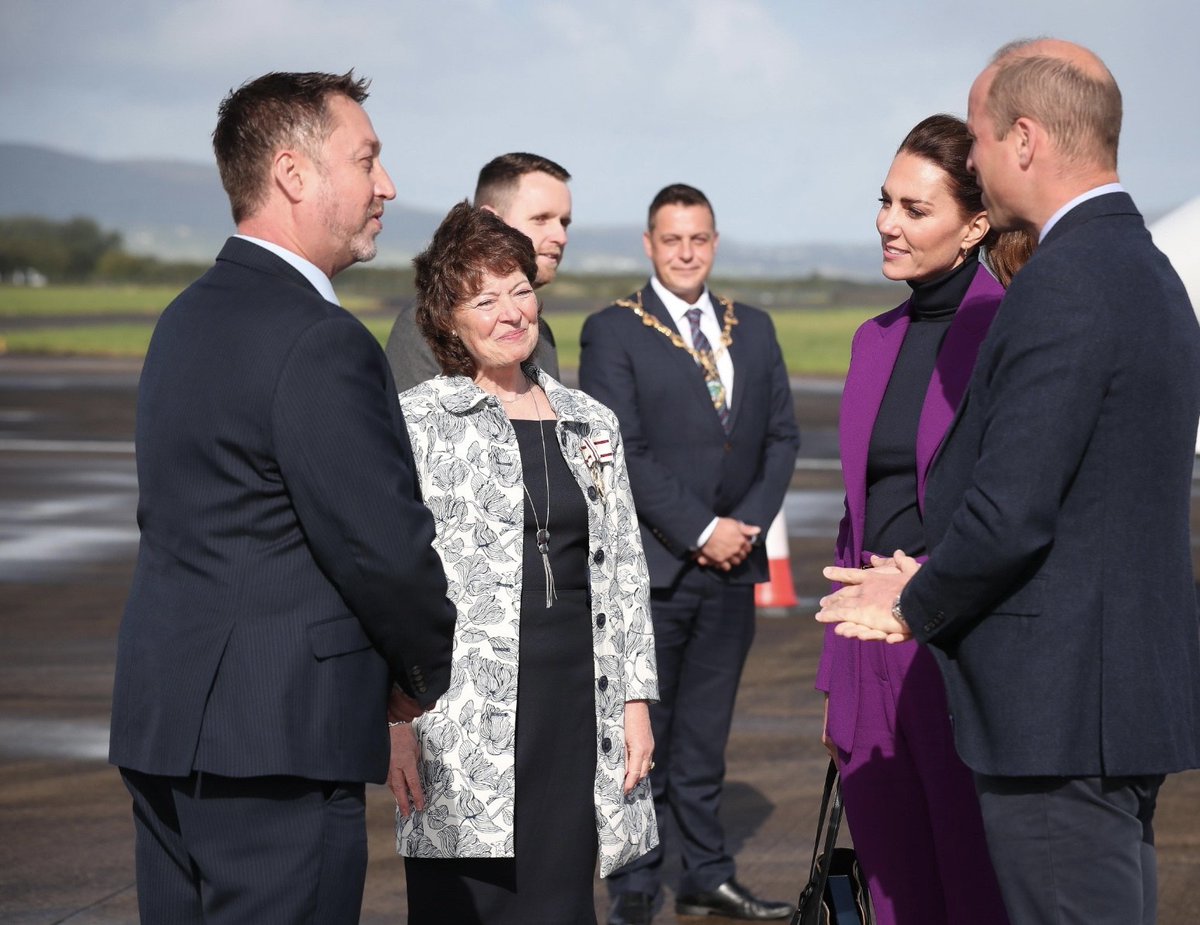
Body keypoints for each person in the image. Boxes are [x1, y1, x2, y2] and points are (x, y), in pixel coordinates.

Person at [817, 39, 1200, 925]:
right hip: (1111, 695)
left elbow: (1010, 510)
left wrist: (916, 598)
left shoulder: (1063, 284)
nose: (978, 160)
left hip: (1059, 706)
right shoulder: (1140, 267)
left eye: (982, 142)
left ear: (1024, 140)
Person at [107, 71, 458, 924]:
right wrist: (418, 677)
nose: (388, 185)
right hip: (277, 745)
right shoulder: (319, 339)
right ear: (294, 174)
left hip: (167, 729)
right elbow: (382, 547)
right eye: (366, 160)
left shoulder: (184, 316)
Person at [387, 202, 659, 924]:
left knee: (560, 902)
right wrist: (393, 720)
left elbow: (625, 568)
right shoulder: (417, 423)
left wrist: (634, 701)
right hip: (459, 718)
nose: (511, 312)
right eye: (485, 298)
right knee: (464, 905)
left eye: (521, 289)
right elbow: (392, 581)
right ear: (446, 318)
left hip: (576, 706)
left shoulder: (590, 421)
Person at [816, 113, 1033, 925]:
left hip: (960, 648)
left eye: (914, 209)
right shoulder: (874, 340)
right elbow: (856, 517)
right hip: (869, 655)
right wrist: (835, 682)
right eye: (885, 201)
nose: (887, 223)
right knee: (893, 889)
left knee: (974, 891)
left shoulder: (1009, 330)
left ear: (975, 225)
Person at [579, 184, 799, 924]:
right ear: (648, 243)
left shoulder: (756, 328)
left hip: (733, 570)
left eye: (698, 238)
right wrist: (703, 530)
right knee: (642, 742)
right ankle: (636, 890)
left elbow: (782, 440)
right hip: (656, 569)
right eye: (670, 239)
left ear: (713, 240)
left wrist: (746, 527)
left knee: (705, 739)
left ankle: (706, 875)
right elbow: (623, 450)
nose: (684, 252)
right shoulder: (613, 330)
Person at [386, 152, 570, 388]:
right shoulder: (427, 325)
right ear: (491, 218)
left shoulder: (539, 331)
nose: (561, 237)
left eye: (564, 222)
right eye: (541, 219)